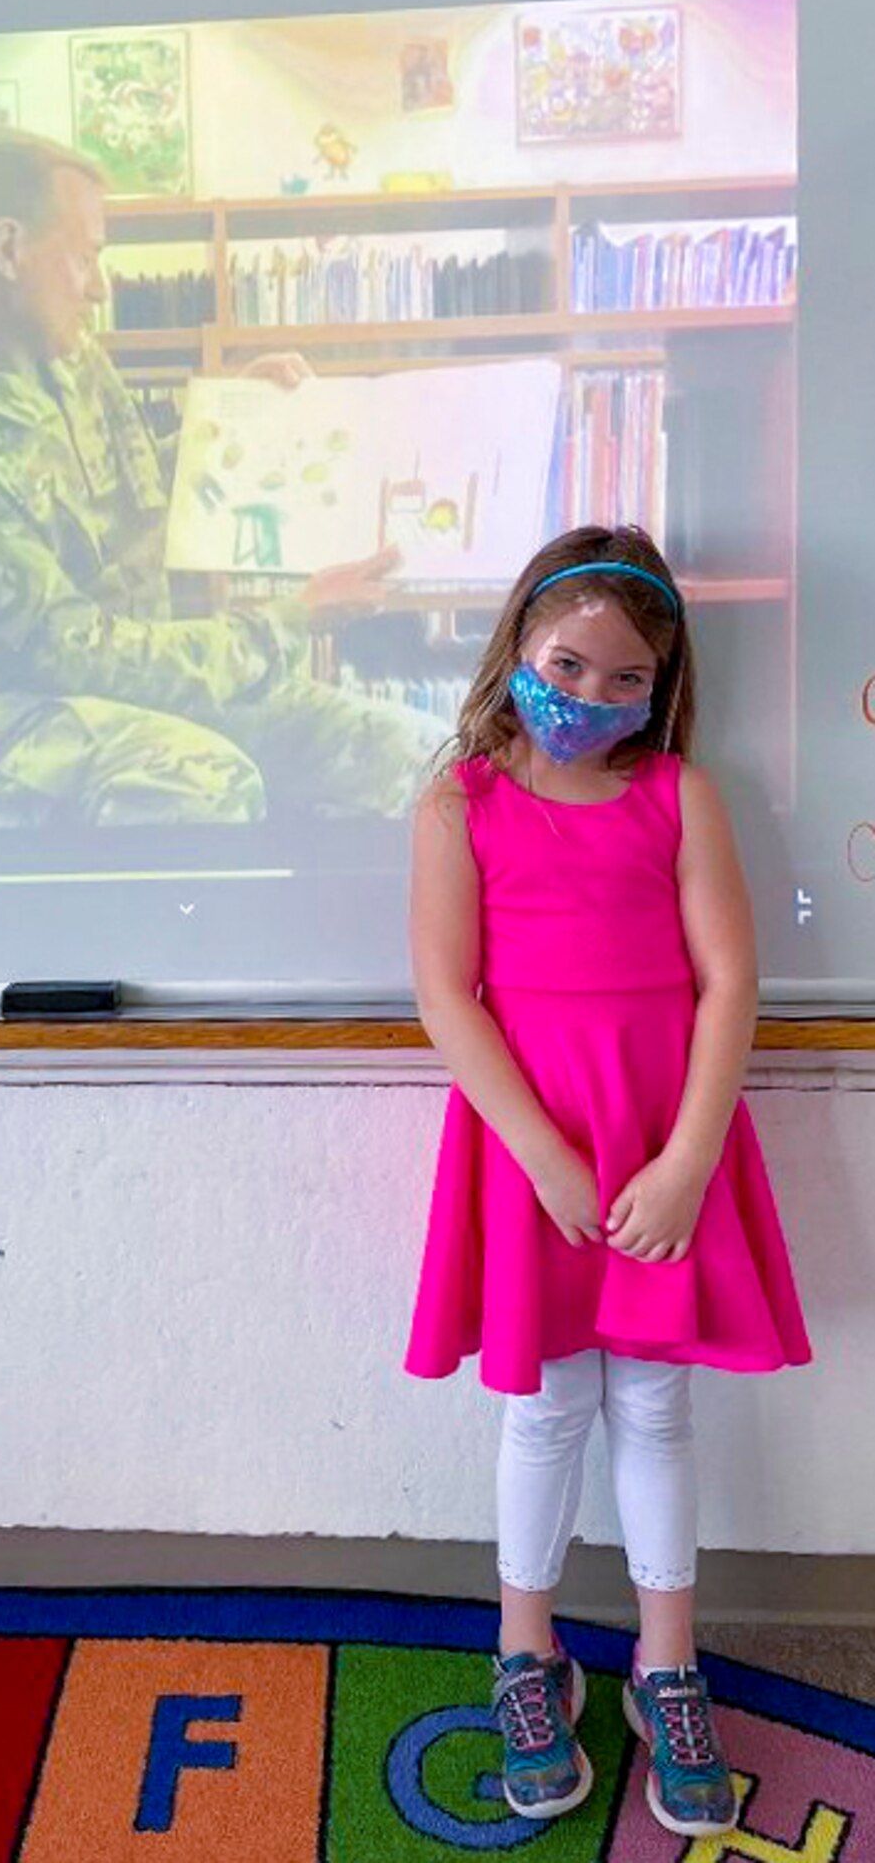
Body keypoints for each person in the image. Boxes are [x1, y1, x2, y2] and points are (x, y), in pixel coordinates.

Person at [404, 524, 811, 1837]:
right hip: (534, 1152)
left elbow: (730, 983)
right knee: (544, 1411)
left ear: (661, 682)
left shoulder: (679, 795)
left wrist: (688, 1160)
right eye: (564, 665)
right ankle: (526, 1652)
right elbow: (445, 996)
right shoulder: (457, 802)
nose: (586, 696)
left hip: (660, 1149)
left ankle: (665, 1663)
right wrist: (538, 1156)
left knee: (654, 1405)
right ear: (519, 643)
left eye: (619, 678)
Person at [0, 128, 444, 826]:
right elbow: (82, 658)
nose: (99, 287)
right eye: (87, 257)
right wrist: (287, 622)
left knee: (421, 759)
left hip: (137, 686)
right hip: (8, 730)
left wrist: (232, 425)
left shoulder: (65, 356)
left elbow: (121, 485)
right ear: (8, 250)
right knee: (200, 782)